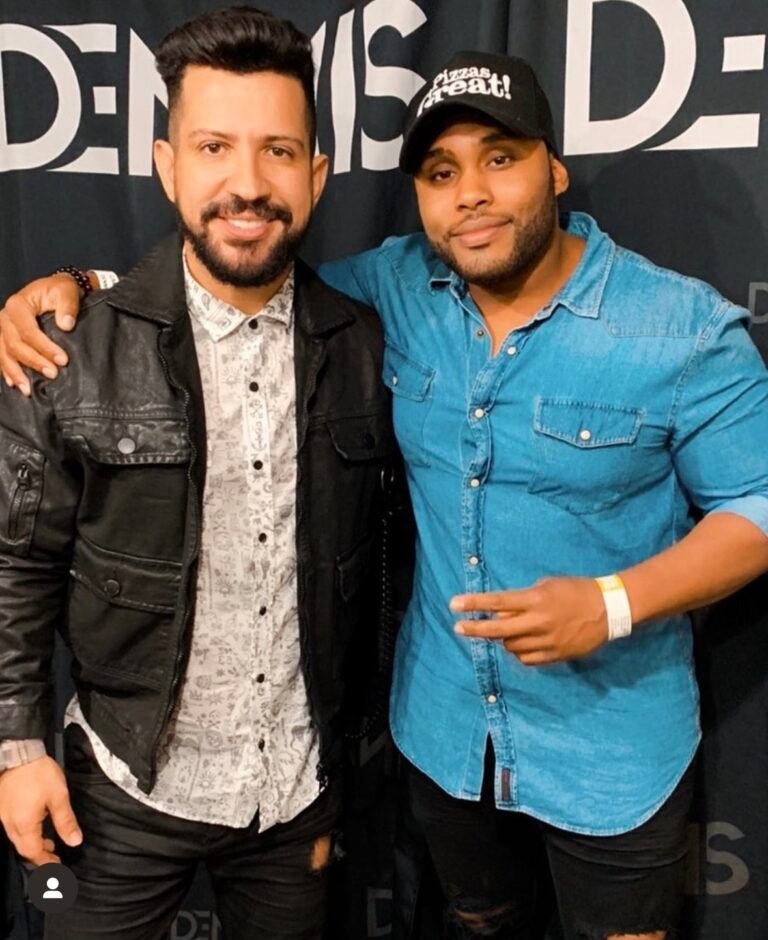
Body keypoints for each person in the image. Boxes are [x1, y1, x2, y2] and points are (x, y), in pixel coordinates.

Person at [4, 47, 768, 940]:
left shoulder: (681, 327)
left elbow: (759, 502)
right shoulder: (396, 286)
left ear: (555, 170)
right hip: (444, 742)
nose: (471, 194)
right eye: (441, 172)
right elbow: (237, 271)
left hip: (613, 754)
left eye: (500, 158)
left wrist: (613, 603)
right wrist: (87, 290)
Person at [0, 7, 393, 939]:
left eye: (277, 152)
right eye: (214, 147)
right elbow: (16, 562)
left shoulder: (365, 342)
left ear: (316, 175)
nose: (246, 184)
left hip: (297, 793)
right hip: (118, 791)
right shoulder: (69, 347)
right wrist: (17, 747)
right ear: (168, 165)